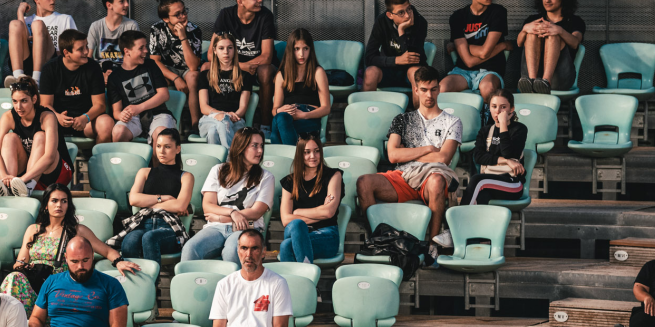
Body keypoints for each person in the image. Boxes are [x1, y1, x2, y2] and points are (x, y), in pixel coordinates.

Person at [356, 67, 461, 243]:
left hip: (431, 177)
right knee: (364, 182)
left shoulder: (453, 121)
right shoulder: (402, 119)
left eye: (433, 89)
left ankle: (432, 245)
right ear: (416, 90)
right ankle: (379, 239)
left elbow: (443, 158)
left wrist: (408, 153)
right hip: (403, 176)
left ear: (439, 89)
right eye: (424, 90)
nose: (429, 95)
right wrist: (428, 149)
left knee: (437, 180)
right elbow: (393, 155)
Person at [1, 184, 138, 314]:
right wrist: (26, 266)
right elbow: (19, 263)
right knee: (13, 278)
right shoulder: (33, 230)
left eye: (64, 201)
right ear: (46, 206)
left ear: (68, 205)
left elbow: (106, 250)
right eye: (54, 201)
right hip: (33, 284)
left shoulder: (78, 231)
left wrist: (119, 261)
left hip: (59, 286)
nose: (59, 205)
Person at [181, 127, 274, 263]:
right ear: (240, 147)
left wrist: (220, 217)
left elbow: (256, 212)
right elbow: (207, 206)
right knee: (190, 248)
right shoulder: (218, 170)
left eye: (261, 146)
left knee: (232, 251)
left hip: (246, 227)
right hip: (215, 228)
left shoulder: (266, 177)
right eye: (254, 146)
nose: (260, 151)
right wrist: (232, 213)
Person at [113, 129, 194, 263]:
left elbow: (180, 205)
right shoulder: (144, 172)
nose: (161, 151)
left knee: (150, 237)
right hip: (143, 223)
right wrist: (163, 198)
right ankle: (135, 282)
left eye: (167, 147)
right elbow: (133, 199)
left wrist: (147, 202)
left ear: (178, 149)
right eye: (158, 146)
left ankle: (152, 283)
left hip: (169, 227)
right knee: (129, 240)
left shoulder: (186, 176)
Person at [0, 77, 74, 197]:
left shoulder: (46, 116)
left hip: (54, 171)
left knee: (40, 136)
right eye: (15, 101)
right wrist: (4, 177)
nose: (18, 107)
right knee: (9, 138)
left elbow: (49, 157)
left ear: (34, 99)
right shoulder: (8, 116)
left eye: (24, 101)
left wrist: (23, 180)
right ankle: (8, 188)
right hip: (27, 171)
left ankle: (26, 187)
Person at [213, 0, 277, 132]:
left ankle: (265, 125)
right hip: (235, 67)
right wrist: (240, 66)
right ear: (240, 1)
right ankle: (208, 121)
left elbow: (267, 56)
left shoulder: (265, 15)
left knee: (265, 71)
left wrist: (247, 66)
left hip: (258, 67)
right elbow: (211, 54)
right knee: (205, 67)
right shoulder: (226, 15)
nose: (260, 0)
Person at [441, 0, 508, 102]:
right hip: (463, 71)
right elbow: (469, 61)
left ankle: (489, 122)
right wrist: (502, 46)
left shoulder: (498, 12)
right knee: (441, 88)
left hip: (490, 70)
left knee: (487, 87)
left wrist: (462, 45)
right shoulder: (458, 17)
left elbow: (485, 52)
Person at [39, 29, 115, 144]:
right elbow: (45, 104)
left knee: (107, 124)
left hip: (86, 122)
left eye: (86, 46)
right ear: (66, 53)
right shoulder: (49, 68)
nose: (86, 51)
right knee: (41, 124)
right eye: (80, 49)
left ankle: (98, 161)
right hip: (58, 122)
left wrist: (85, 118)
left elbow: (100, 105)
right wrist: (57, 117)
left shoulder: (93, 67)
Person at [279, 133, 343, 263]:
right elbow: (286, 219)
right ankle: (307, 274)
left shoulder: (333, 175)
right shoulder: (289, 182)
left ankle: (298, 280)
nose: (312, 156)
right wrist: (319, 211)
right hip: (297, 231)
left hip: (326, 235)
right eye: (307, 152)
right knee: (297, 225)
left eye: (316, 151)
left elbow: (328, 212)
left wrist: (297, 212)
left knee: (286, 246)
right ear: (300, 155)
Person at [517, 0, 585, 94]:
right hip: (528, 77)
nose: (547, 0)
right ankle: (532, 82)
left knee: (553, 34)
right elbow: (519, 43)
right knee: (532, 33)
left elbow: (575, 43)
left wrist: (560, 31)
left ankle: (545, 82)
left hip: (559, 78)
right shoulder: (533, 20)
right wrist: (524, 30)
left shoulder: (574, 21)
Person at [5, 0, 77, 87]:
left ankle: (37, 80)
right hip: (28, 62)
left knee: (38, 24)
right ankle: (17, 79)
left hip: (51, 61)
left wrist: (42, 39)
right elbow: (24, 38)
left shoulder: (65, 19)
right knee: (15, 24)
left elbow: (71, 51)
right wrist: (20, 12)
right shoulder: (27, 20)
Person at [149, 0, 204, 133]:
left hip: (186, 69)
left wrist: (183, 37)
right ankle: (159, 124)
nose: (183, 16)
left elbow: (193, 66)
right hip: (167, 70)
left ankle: (195, 125)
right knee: (156, 80)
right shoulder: (157, 29)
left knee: (193, 76)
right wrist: (175, 78)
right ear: (166, 18)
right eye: (178, 14)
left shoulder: (194, 30)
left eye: (184, 11)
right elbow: (155, 62)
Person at [107, 31, 175, 144]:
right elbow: (116, 112)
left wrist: (139, 107)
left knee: (161, 135)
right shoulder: (114, 77)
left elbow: (164, 95)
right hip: (133, 118)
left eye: (146, 46)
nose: (146, 50)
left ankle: (156, 162)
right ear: (127, 51)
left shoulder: (151, 65)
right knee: (119, 132)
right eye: (141, 48)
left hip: (158, 113)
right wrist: (121, 115)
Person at [462, 90, 528, 205]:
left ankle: (456, 219)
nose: (498, 111)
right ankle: (474, 222)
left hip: (512, 183)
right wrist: (506, 161)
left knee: (477, 180)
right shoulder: (485, 131)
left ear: (511, 109)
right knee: (480, 198)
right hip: (490, 180)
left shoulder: (519, 129)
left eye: (503, 107)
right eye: (494, 106)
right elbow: (478, 157)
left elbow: (509, 153)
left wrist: (502, 124)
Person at [363, 0, 429, 105]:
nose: (407, 15)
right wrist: (396, 60)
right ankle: (365, 115)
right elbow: (369, 57)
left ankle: (420, 120)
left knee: (415, 72)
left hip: (410, 73)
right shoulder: (382, 21)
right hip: (388, 71)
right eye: (401, 13)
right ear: (390, 15)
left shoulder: (419, 22)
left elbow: (412, 58)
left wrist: (401, 32)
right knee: (370, 72)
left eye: (408, 9)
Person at [271, 28, 331, 145]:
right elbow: (274, 110)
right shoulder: (281, 75)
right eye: (296, 49)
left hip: (309, 119)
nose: (301, 54)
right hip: (287, 118)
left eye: (305, 49)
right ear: (290, 50)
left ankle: (286, 158)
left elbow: (326, 108)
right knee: (280, 119)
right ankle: (294, 157)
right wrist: (279, 110)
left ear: (311, 50)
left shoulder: (317, 72)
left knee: (277, 128)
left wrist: (304, 115)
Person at [198, 33, 251, 148]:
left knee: (213, 132)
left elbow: (242, 108)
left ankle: (218, 165)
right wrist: (222, 115)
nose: (226, 52)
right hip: (210, 118)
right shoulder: (204, 75)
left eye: (230, 48)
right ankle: (231, 162)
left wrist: (230, 116)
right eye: (221, 48)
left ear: (235, 50)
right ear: (215, 51)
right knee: (222, 123)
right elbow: (203, 107)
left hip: (235, 119)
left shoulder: (245, 76)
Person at [87, 0, 140, 82]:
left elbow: (135, 57)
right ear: (109, 5)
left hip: (125, 73)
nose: (127, 4)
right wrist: (100, 75)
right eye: (122, 1)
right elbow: (88, 58)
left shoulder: (131, 25)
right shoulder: (96, 26)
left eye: (127, 0)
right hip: (100, 73)